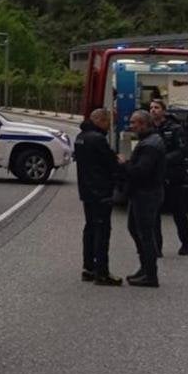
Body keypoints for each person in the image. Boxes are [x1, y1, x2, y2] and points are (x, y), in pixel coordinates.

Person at [74, 109, 122, 286]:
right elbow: (110, 163)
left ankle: (88, 267)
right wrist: (119, 162)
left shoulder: (80, 137)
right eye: (108, 122)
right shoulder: (98, 139)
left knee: (90, 229)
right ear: (100, 120)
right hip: (100, 191)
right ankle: (102, 272)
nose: (109, 126)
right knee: (102, 231)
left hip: (86, 190)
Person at [122, 110, 166, 287]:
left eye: (134, 123)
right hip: (143, 193)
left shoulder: (150, 145)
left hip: (146, 194)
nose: (131, 126)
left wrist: (124, 164)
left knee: (145, 234)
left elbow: (141, 172)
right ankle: (145, 268)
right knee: (134, 228)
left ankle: (150, 274)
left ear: (144, 124)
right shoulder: (149, 141)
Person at [150, 100, 188, 254]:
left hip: (173, 175)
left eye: (156, 108)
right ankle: (156, 247)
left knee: (178, 211)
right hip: (156, 177)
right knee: (154, 213)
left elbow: (183, 150)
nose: (153, 110)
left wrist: (163, 159)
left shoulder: (175, 128)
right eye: (151, 108)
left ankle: (186, 241)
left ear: (163, 111)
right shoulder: (149, 129)